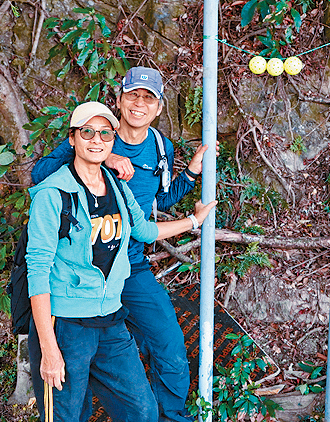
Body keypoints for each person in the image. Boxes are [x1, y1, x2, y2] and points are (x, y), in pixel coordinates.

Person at [32, 67, 207, 422]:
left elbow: (150, 214)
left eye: (148, 98)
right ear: (119, 100)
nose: (139, 104)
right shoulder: (75, 162)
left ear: (159, 107)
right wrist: (103, 156)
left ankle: (172, 416)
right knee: (71, 397)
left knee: (165, 349)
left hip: (127, 271)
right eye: (132, 95)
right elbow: (41, 178)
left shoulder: (155, 150)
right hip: (76, 287)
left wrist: (191, 180)